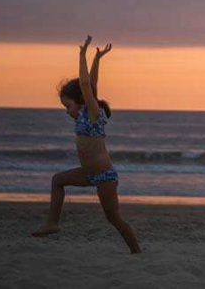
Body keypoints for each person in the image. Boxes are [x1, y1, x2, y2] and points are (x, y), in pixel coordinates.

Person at [31, 35, 141, 254]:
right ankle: (52, 223)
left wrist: (82, 54)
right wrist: (97, 58)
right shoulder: (84, 112)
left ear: (80, 100)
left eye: (68, 106)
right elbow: (91, 84)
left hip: (104, 176)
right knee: (57, 181)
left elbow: (86, 84)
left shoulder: (93, 113)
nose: (66, 111)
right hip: (88, 173)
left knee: (113, 217)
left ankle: (136, 251)